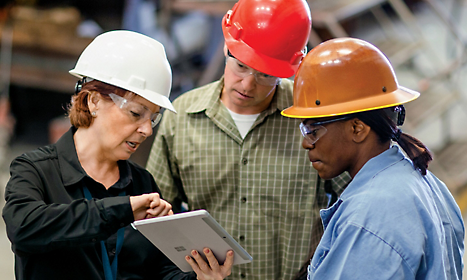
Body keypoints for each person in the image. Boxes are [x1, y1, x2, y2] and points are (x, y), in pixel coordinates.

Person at [2, 30, 233, 280]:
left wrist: (199, 277)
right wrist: (122, 211)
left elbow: (159, 270)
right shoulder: (36, 171)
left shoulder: (142, 184)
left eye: (153, 119)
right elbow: (24, 228)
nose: (146, 130)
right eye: (136, 113)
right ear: (93, 101)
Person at [146, 0, 351, 279]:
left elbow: (355, 202)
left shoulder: (311, 115)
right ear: (225, 45)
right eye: (240, 66)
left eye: (265, 75)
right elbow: (158, 215)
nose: (247, 84)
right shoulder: (181, 117)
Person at [281, 37, 465, 279]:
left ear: (358, 128)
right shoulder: (428, 184)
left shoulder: (368, 219)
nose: (306, 143)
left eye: (313, 131)